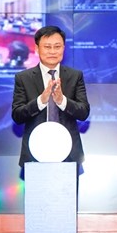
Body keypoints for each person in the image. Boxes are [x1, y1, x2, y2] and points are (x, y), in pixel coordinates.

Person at [11, 25, 90, 172]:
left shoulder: (75, 76)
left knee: (68, 188)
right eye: (47, 47)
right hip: (34, 154)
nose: (53, 51)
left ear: (63, 48)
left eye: (57, 46)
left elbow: (83, 112)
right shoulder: (23, 78)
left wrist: (62, 101)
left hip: (69, 154)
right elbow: (17, 115)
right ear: (37, 48)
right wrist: (41, 100)